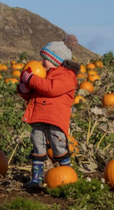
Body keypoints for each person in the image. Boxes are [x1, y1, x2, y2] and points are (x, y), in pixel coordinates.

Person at [17, 34, 80, 189]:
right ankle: (36, 179)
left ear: (55, 60)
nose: (41, 62)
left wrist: (32, 79)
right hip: (38, 119)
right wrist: (24, 88)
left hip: (55, 121)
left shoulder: (66, 77)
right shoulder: (44, 76)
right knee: (37, 147)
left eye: (44, 58)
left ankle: (68, 174)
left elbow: (50, 89)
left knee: (59, 148)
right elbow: (33, 96)